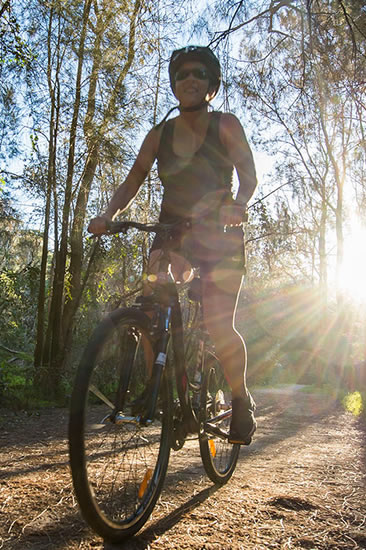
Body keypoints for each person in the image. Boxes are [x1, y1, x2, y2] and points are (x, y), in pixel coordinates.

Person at [87, 45, 258, 443]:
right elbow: (133, 180)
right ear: (174, 84)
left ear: (211, 85)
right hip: (172, 233)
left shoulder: (226, 124)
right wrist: (108, 214)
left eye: (199, 74)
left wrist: (239, 203)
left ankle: (241, 400)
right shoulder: (159, 134)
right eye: (182, 75)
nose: (190, 80)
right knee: (151, 309)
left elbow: (248, 174)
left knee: (218, 323)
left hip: (219, 232)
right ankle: (163, 392)